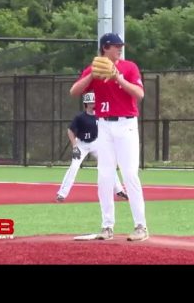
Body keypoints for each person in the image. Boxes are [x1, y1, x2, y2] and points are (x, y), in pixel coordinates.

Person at [69, 33, 149, 241]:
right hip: (103, 125)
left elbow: (139, 94)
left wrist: (118, 78)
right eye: (116, 45)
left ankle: (141, 226)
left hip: (126, 124)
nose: (120, 48)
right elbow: (74, 91)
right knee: (104, 176)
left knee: (129, 174)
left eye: (121, 45)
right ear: (105, 47)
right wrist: (91, 76)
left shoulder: (129, 67)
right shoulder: (94, 69)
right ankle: (107, 226)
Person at [56, 92, 129, 203]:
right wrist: (75, 146)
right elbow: (70, 131)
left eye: (94, 102)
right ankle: (62, 194)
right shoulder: (80, 117)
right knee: (74, 167)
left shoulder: (100, 116)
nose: (93, 104)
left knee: (108, 165)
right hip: (81, 144)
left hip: (96, 143)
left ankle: (119, 190)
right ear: (86, 104)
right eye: (91, 102)